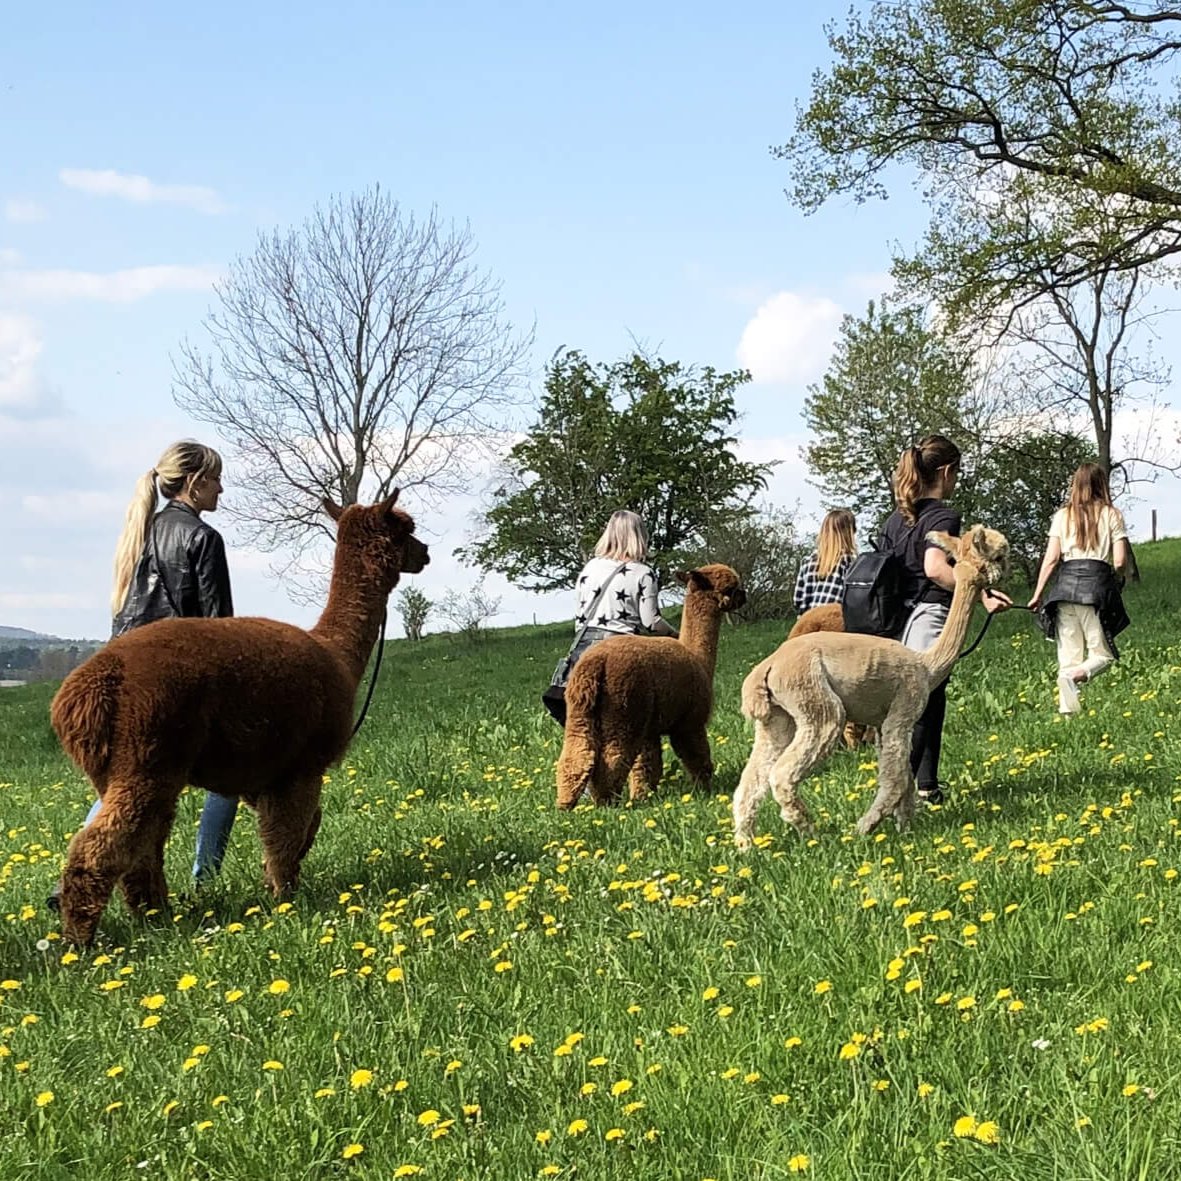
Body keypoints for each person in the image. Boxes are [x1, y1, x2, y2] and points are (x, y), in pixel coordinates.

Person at [50, 441, 238, 910]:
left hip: (124, 673)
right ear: (195, 482)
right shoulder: (202, 538)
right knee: (229, 777)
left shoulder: (139, 531)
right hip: (178, 680)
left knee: (124, 786)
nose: (222, 488)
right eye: (216, 479)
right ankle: (205, 878)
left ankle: (72, 880)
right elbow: (221, 626)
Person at [880, 435, 1010, 805]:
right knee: (922, 701)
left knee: (928, 702)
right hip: (931, 615)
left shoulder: (897, 519)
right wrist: (979, 592)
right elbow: (936, 569)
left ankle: (926, 786)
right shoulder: (942, 516)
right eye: (958, 473)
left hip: (896, 620)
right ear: (947, 472)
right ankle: (898, 793)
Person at [543, 511, 677, 725]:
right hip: (623, 650)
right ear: (639, 536)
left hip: (584, 650)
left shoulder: (590, 567)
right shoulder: (643, 573)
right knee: (626, 724)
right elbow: (651, 622)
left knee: (585, 724)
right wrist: (675, 635)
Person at [1028, 463, 1130, 715]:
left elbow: (1051, 559)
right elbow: (1119, 561)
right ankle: (1078, 676)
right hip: (1095, 591)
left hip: (1063, 591)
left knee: (1068, 657)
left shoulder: (1062, 516)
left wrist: (1038, 593)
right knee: (1103, 655)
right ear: (1101, 485)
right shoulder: (1112, 514)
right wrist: (1115, 580)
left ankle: (1068, 714)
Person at [794, 508, 856, 614]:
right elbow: (854, 599)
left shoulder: (808, 562)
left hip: (808, 622)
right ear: (850, 532)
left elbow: (797, 600)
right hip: (835, 621)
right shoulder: (849, 563)